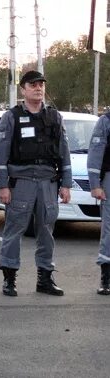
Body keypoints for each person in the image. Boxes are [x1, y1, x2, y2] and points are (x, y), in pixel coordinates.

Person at [0, 70, 71, 296]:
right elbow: (1, 154)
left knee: (46, 230)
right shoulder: (11, 117)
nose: (38, 88)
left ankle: (45, 278)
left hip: (48, 182)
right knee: (14, 229)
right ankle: (9, 278)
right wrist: (3, 185)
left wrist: (66, 184)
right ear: (23, 89)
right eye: (32, 84)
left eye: (41, 84)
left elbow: (64, 153)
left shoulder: (55, 117)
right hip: (22, 181)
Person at [86, 113, 110, 295]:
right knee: (109, 230)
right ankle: (106, 279)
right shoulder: (106, 120)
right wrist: (95, 184)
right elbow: (95, 153)